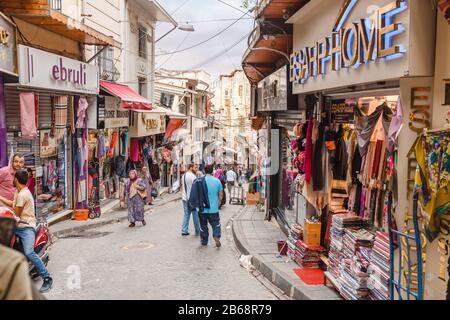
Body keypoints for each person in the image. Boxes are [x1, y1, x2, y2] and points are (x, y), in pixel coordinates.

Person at [0, 170, 53, 293]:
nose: (12, 180)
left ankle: (47, 278)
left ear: (16, 180)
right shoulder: (18, 192)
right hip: (17, 225)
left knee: (29, 252)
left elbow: (15, 214)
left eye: (13, 178)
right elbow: (13, 206)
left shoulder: (23, 194)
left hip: (26, 227)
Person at [198, 165, 224, 247]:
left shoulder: (200, 181)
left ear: (204, 171)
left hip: (202, 208)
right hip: (213, 209)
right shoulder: (217, 181)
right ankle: (216, 235)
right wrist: (219, 203)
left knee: (203, 225)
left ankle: (204, 241)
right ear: (212, 171)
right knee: (216, 224)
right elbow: (221, 194)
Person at [181, 163, 200, 236]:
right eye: (195, 167)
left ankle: (184, 230)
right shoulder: (193, 177)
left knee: (186, 214)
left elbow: (182, 186)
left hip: (184, 197)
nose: (196, 169)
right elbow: (196, 189)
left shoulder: (184, 175)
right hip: (192, 198)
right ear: (191, 168)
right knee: (195, 214)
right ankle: (197, 230)